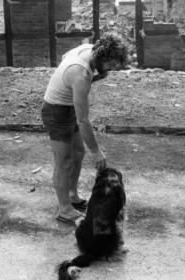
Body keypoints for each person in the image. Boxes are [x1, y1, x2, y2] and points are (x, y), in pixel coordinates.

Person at [41, 33, 129, 225]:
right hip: (56, 113)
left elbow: (65, 58)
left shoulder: (88, 49)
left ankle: (72, 195)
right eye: (111, 64)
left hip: (68, 106)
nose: (112, 69)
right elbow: (83, 120)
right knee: (63, 161)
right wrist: (97, 151)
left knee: (78, 152)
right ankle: (64, 209)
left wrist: (97, 76)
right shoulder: (80, 74)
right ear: (102, 57)